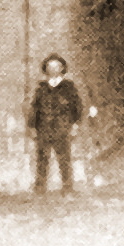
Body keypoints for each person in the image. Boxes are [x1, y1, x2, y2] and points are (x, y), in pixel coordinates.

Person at [28, 53, 82, 193]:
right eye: (50, 67)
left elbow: (77, 107)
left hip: (62, 127)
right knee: (42, 157)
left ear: (62, 68)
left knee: (64, 157)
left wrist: (75, 125)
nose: (53, 69)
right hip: (43, 128)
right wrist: (32, 126)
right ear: (46, 69)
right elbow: (35, 108)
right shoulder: (41, 88)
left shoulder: (69, 87)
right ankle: (40, 186)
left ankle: (67, 186)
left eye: (56, 66)